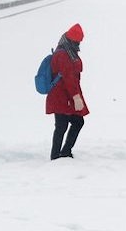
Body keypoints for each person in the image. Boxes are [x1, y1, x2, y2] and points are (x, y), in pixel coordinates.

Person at [46, 23, 89, 159]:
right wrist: (76, 98)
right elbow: (69, 78)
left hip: (64, 96)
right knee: (66, 124)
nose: (79, 45)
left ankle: (61, 152)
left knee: (64, 125)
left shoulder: (66, 50)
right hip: (62, 97)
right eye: (77, 42)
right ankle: (59, 153)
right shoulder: (64, 54)